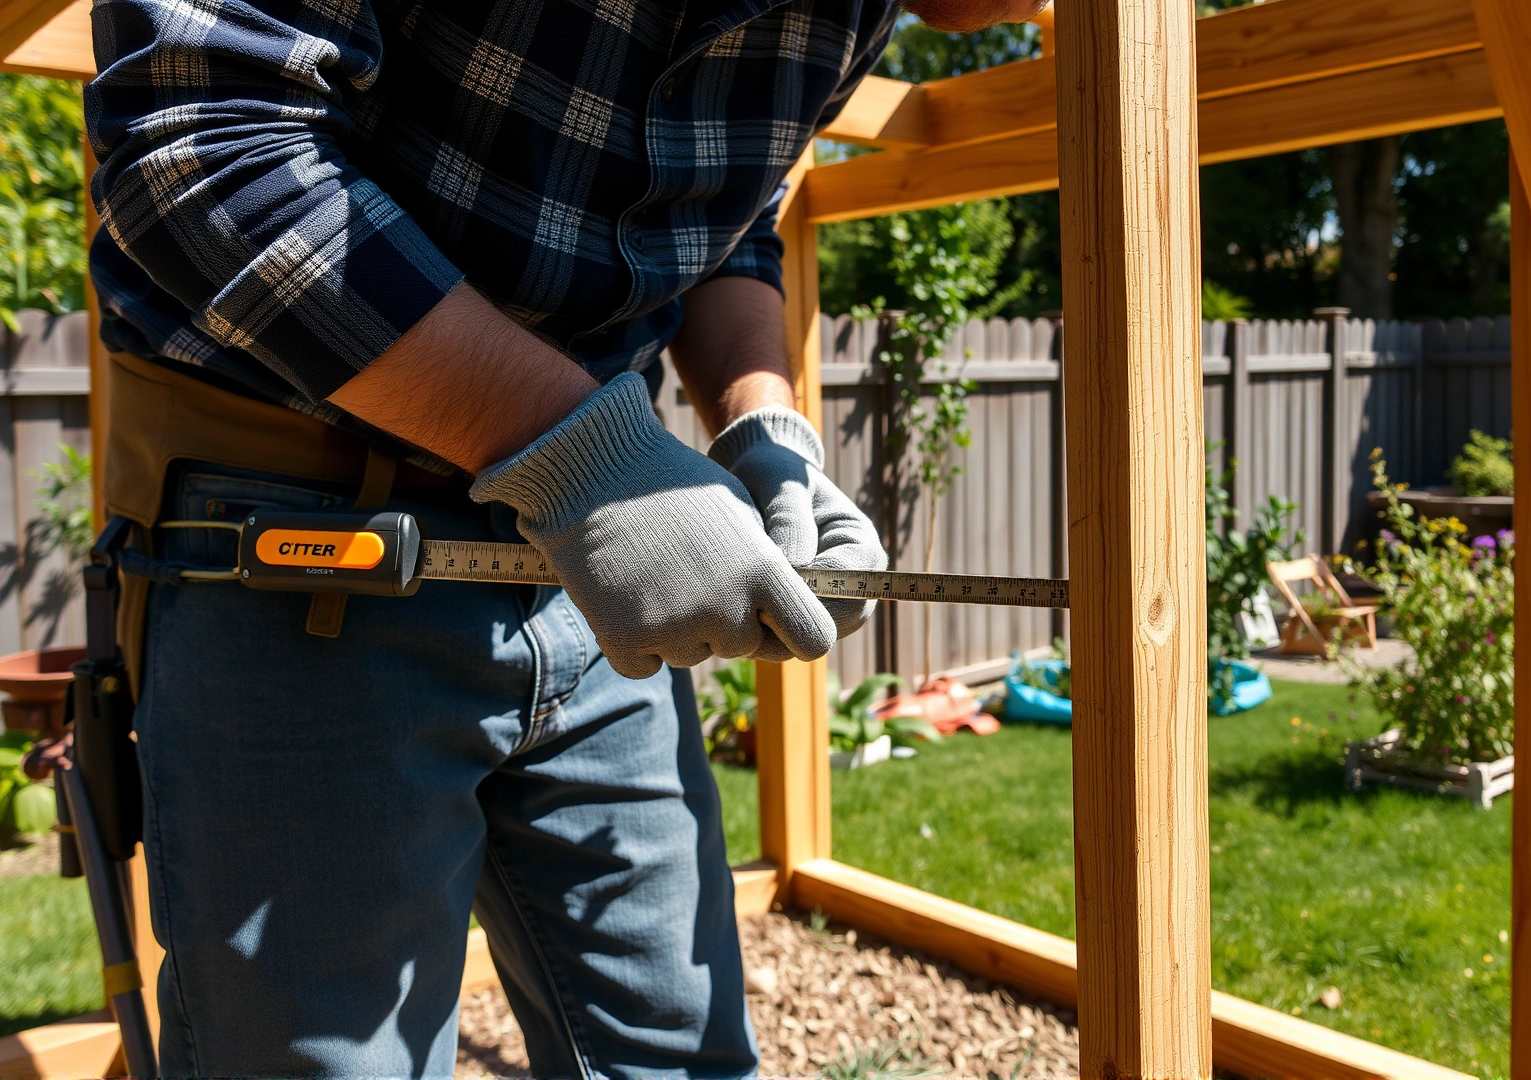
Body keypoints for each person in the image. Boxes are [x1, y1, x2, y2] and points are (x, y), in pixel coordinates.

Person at [81, 0, 1044, 1073]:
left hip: (595, 578)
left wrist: (767, 433)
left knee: (680, 1059)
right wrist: (583, 458)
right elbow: (204, 151)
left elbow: (730, 223)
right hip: (304, 542)